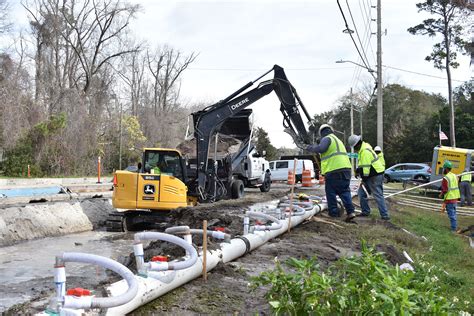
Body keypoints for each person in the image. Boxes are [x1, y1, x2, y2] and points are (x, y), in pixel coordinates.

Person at [306, 124, 356, 222]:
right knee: (345, 191)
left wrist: (309, 147)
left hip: (334, 170)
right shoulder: (338, 140)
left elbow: (321, 149)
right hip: (346, 169)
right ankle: (351, 212)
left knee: (331, 192)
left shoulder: (327, 138)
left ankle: (334, 214)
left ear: (322, 133)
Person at [348, 134, 390, 220]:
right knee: (361, 193)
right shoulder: (363, 150)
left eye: (354, 147)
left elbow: (366, 169)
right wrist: (358, 170)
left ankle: (385, 215)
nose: (355, 150)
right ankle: (365, 211)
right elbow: (363, 165)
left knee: (377, 194)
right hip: (372, 174)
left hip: (375, 175)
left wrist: (363, 179)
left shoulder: (365, 151)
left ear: (356, 145)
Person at [439, 160, 460, 232]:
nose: (443, 170)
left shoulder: (446, 178)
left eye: (444, 168)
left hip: (449, 198)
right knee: (453, 213)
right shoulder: (454, 175)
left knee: (451, 215)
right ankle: (455, 227)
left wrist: (441, 194)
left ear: (446, 169)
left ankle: (453, 229)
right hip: (455, 198)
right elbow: (456, 182)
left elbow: (445, 189)